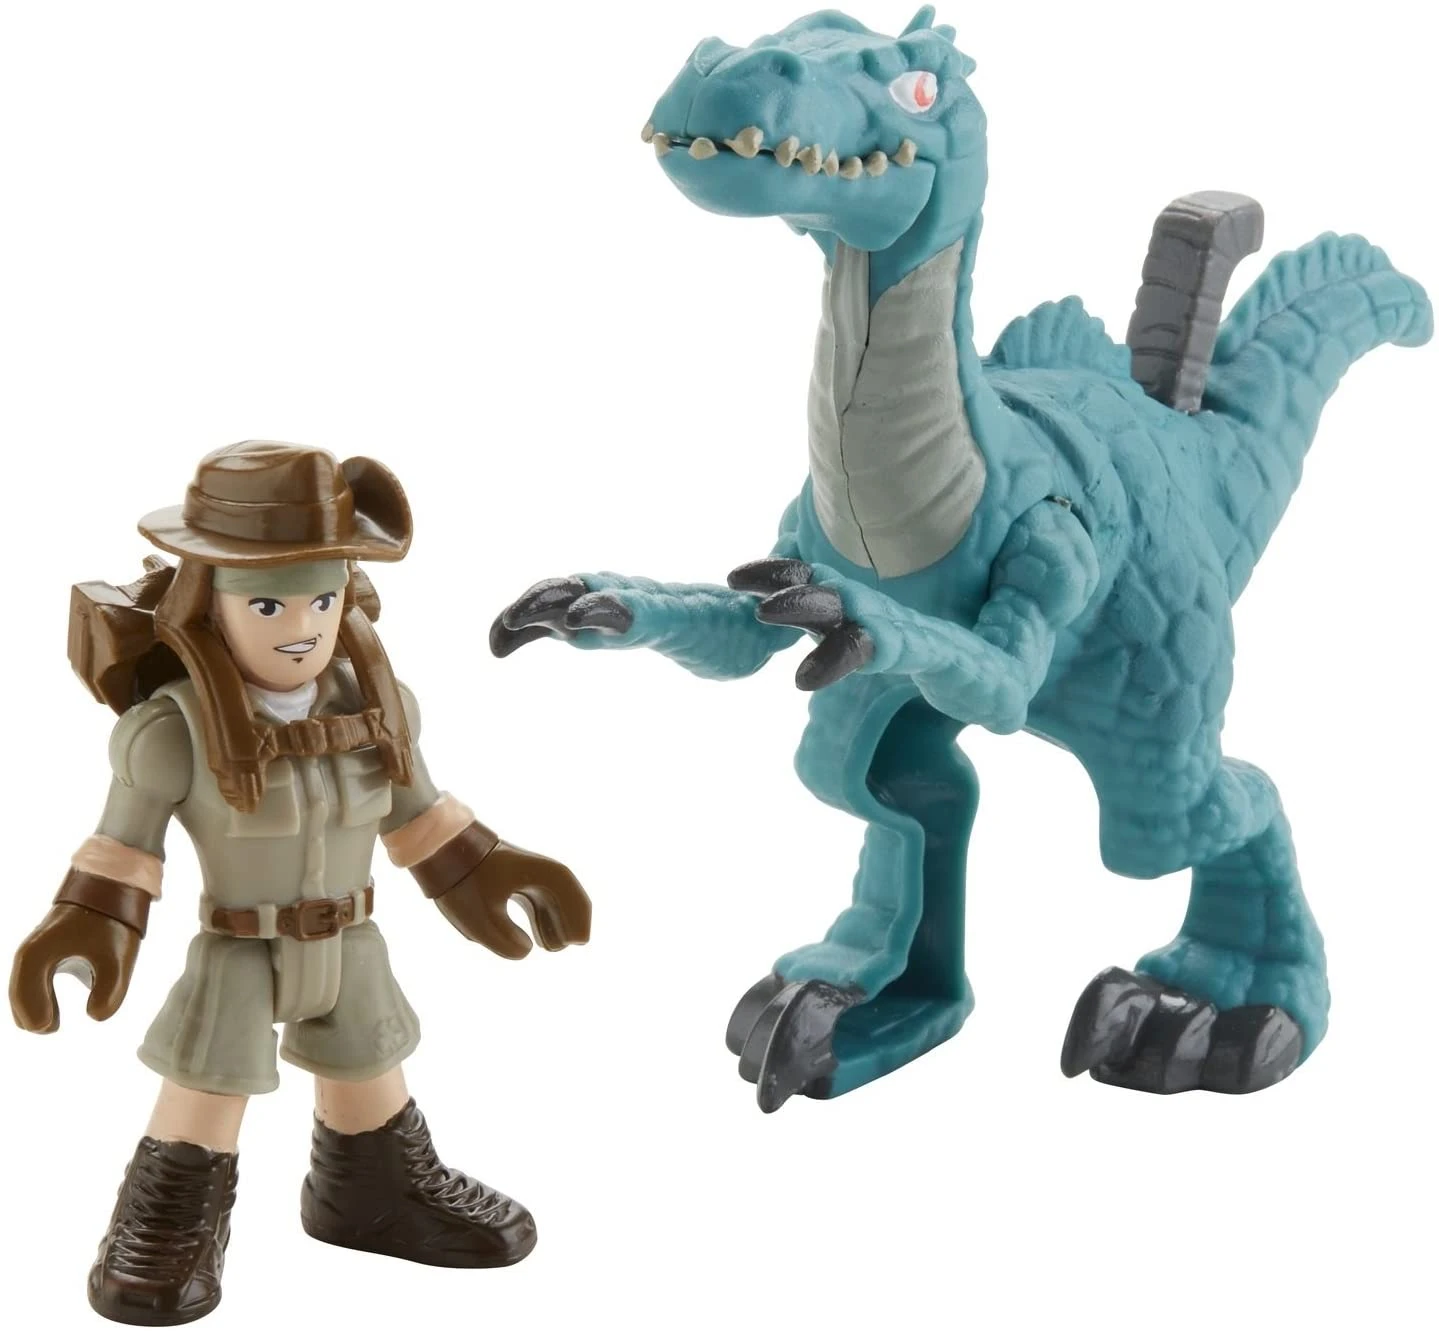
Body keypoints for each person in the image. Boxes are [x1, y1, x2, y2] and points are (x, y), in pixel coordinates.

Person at [10, 441, 591, 1326]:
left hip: (351, 938)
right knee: (209, 1084)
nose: (301, 627)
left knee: (370, 1060)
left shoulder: (376, 709)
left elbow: (421, 814)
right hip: (239, 944)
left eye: (322, 599)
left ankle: (373, 1190)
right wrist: (86, 923)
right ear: (207, 603)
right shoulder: (172, 733)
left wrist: (488, 868)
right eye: (268, 603)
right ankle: (169, 1219)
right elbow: (123, 847)